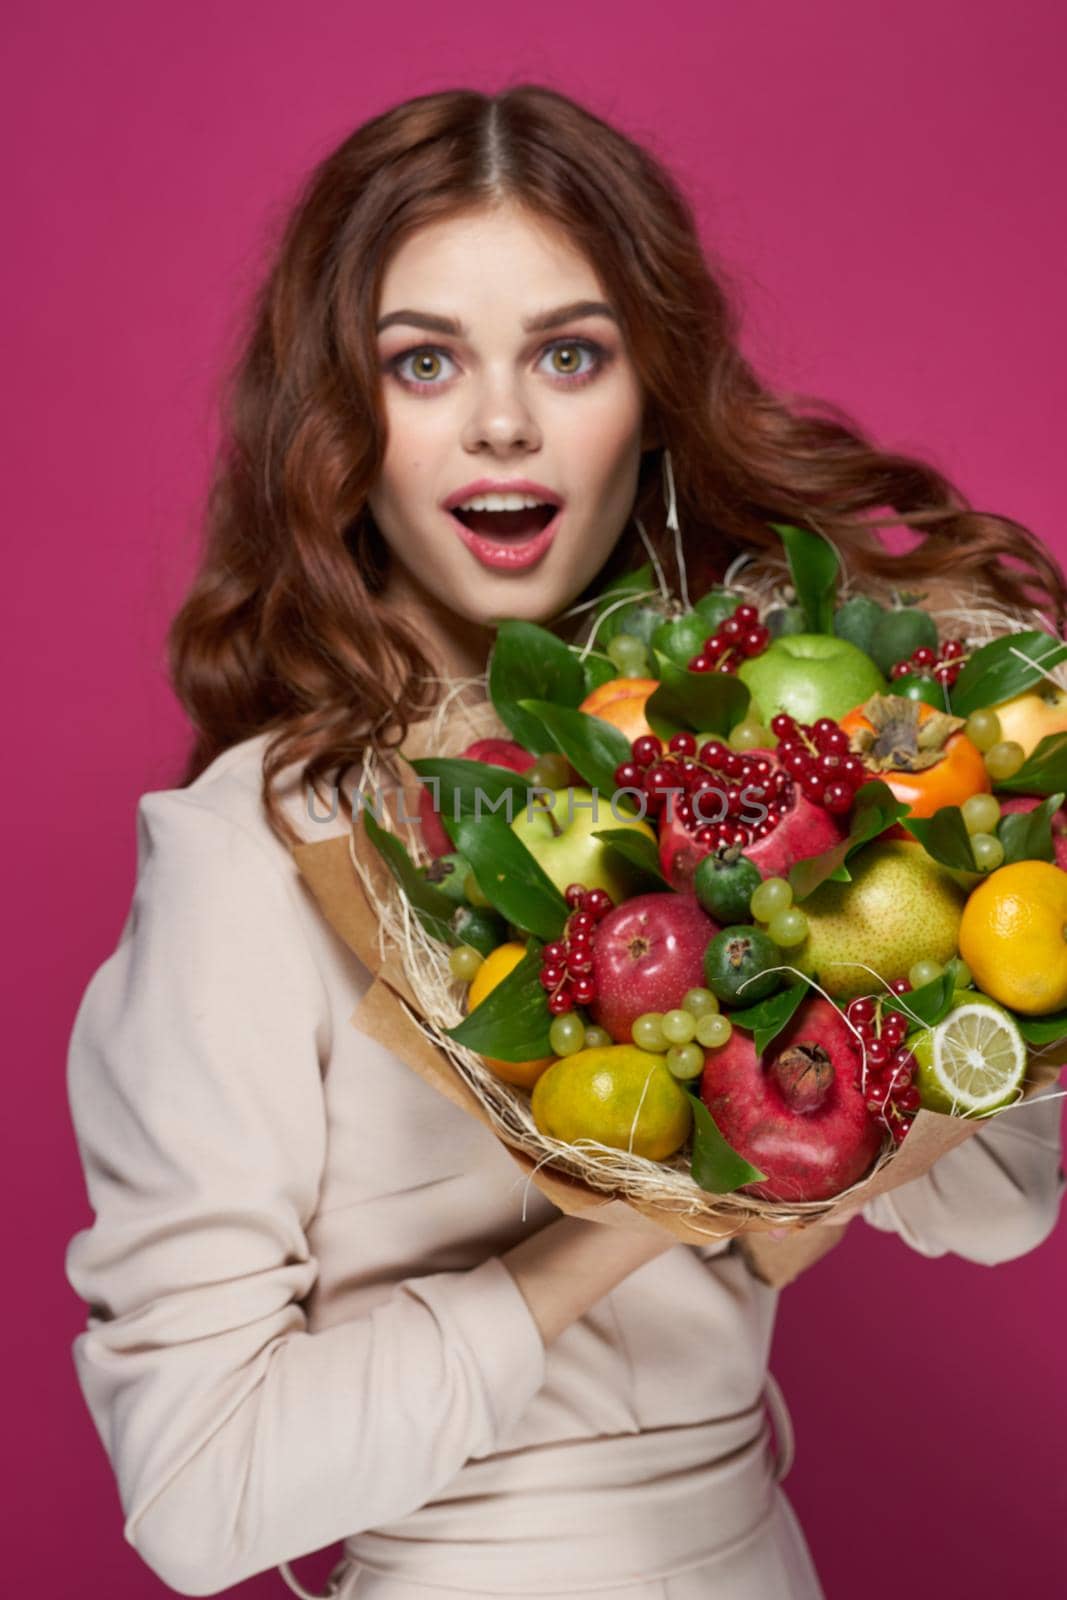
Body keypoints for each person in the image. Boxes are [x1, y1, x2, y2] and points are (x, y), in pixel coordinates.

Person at [63, 84, 1066, 1600]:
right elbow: (203, 1497)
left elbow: (998, 1209)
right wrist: (628, 1209)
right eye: (422, 362)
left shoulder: (739, 774)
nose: (504, 421)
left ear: (649, 398)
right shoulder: (254, 857)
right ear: (342, 420)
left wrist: (944, 899)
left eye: (569, 352)